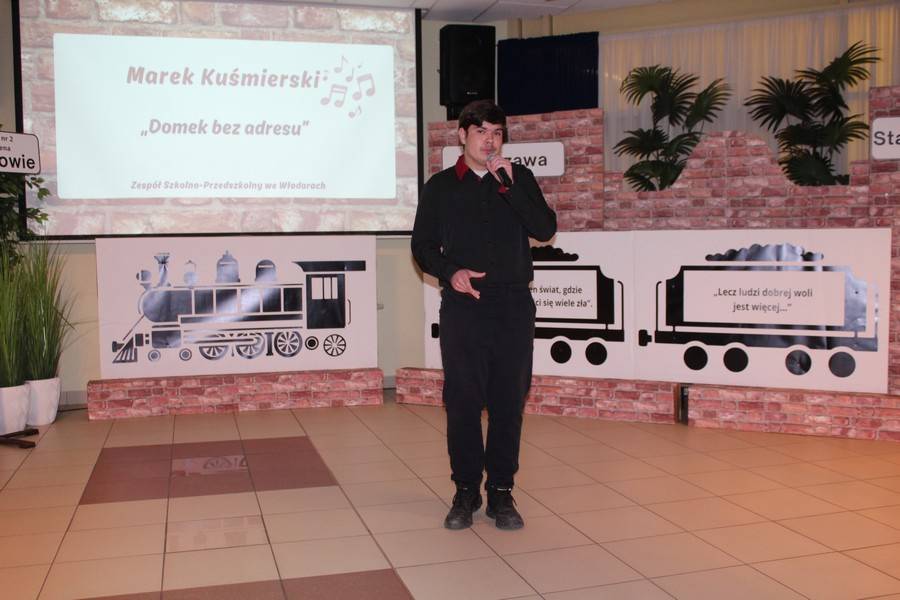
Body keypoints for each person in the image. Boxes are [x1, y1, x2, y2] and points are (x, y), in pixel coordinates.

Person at [411, 100, 556, 530]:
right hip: (464, 307)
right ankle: (465, 490)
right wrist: (450, 272)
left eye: (496, 133)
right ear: (462, 135)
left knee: (509, 402)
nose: (489, 141)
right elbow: (422, 247)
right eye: (481, 132)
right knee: (463, 402)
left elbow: (545, 229)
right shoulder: (440, 187)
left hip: (513, 305)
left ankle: (501, 492)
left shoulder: (518, 178)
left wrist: (510, 187)